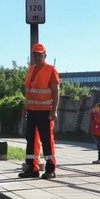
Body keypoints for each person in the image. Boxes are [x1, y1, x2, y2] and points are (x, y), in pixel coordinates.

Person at [19, 43, 60, 179]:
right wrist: (26, 108)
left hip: (45, 112)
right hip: (32, 111)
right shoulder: (31, 69)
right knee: (30, 139)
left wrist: (54, 111)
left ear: (44, 55)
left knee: (47, 140)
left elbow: (56, 92)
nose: (36, 56)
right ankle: (32, 168)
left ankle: (50, 168)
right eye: (34, 54)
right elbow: (28, 91)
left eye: (39, 54)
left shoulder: (50, 70)